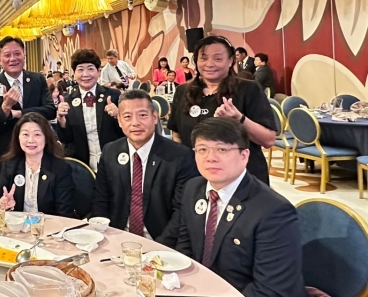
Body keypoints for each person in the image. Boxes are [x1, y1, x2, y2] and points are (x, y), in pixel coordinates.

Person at [176, 118, 306, 297]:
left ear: (244, 156)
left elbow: (270, 290)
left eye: (222, 149)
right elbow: (185, 246)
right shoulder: (193, 188)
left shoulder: (274, 211)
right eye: (202, 149)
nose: (210, 158)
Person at [90, 90, 198, 247]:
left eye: (142, 115)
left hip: (160, 242)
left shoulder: (180, 156)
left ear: (154, 117)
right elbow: (101, 199)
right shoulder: (110, 151)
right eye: (127, 117)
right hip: (117, 238)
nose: (135, 123)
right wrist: (103, 236)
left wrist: (159, 247)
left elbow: (181, 211)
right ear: (119, 120)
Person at [167, 36, 276, 185]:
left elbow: (268, 140)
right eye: (203, 58)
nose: (209, 64)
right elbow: (177, 134)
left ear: (230, 61)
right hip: (194, 177)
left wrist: (239, 119)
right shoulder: (183, 91)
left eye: (218, 59)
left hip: (241, 179)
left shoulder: (248, 89)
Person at [0, 36, 57, 172]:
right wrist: (6, 107)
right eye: (7, 55)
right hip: (7, 153)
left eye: (17, 53)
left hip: (39, 151)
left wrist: (17, 113)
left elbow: (50, 110)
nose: (13, 59)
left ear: (24, 55)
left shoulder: (38, 80)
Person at [0, 113, 75, 217]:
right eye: (25, 134)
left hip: (49, 225)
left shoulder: (60, 169)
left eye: (37, 134)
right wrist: (4, 207)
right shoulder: (9, 166)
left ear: (46, 138)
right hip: (17, 225)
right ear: (18, 138)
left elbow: (64, 214)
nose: (31, 140)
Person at [55, 49, 124, 172]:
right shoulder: (67, 101)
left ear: (98, 71)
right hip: (81, 166)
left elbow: (125, 133)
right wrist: (61, 120)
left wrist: (119, 116)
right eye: (80, 69)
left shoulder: (114, 95)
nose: (85, 74)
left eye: (90, 69)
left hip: (113, 163)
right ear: (74, 73)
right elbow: (66, 140)